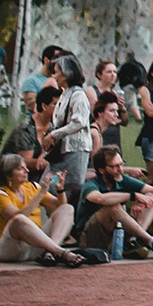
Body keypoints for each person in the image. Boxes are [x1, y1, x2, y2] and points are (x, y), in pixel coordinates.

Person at [76, 147, 153, 259]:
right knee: (113, 207)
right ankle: (150, 240)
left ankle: (133, 241)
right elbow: (99, 199)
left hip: (115, 235)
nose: (121, 169)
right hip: (90, 240)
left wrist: (143, 202)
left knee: (149, 198)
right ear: (102, 170)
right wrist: (133, 196)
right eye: (115, 166)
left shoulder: (121, 179)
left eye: (121, 164)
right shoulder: (91, 184)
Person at [0, 155, 80, 266]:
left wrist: (60, 190)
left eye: (25, 167)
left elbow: (59, 206)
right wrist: (41, 193)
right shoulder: (0, 195)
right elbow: (17, 217)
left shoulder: (32, 187)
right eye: (20, 169)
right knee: (19, 219)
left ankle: (51, 252)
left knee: (67, 209)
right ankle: (61, 252)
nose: (27, 171)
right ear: (8, 175)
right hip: (11, 249)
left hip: (36, 245)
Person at [48, 55, 94, 205]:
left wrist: (54, 135)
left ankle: (71, 216)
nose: (54, 76)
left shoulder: (78, 95)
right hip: (61, 150)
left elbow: (78, 122)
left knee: (71, 186)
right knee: (50, 183)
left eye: (56, 72)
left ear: (66, 73)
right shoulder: (65, 94)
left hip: (75, 149)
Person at [3, 85, 58, 175]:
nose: (59, 108)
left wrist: (44, 156)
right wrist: (46, 162)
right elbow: (25, 163)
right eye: (55, 104)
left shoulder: (52, 128)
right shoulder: (25, 128)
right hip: (14, 176)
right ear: (44, 106)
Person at [88, 60, 128, 149]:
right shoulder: (91, 91)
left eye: (115, 72)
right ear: (99, 75)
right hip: (99, 133)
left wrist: (122, 108)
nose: (113, 75)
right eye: (109, 72)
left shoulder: (115, 93)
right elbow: (95, 114)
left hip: (114, 135)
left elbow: (124, 121)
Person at [19, 44, 65, 112]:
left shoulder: (60, 81)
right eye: (56, 59)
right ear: (46, 60)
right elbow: (31, 106)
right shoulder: (31, 81)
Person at [89, 93, 126, 157]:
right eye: (112, 111)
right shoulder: (94, 132)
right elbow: (95, 164)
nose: (116, 114)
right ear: (100, 113)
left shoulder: (98, 131)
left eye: (116, 111)